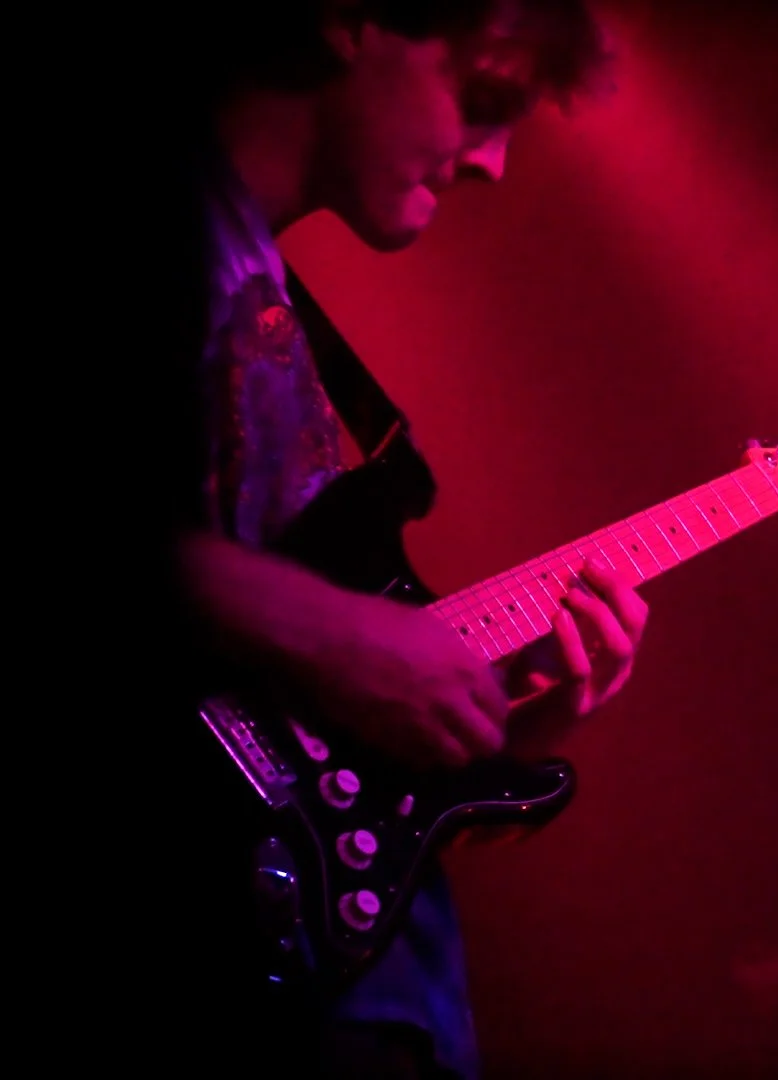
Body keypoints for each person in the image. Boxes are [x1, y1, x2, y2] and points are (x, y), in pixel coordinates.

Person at [170, 2, 645, 1076]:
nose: (494, 162)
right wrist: (342, 638)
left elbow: (256, 719)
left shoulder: (265, 291)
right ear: (349, 22)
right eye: (483, 100)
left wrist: (498, 718)